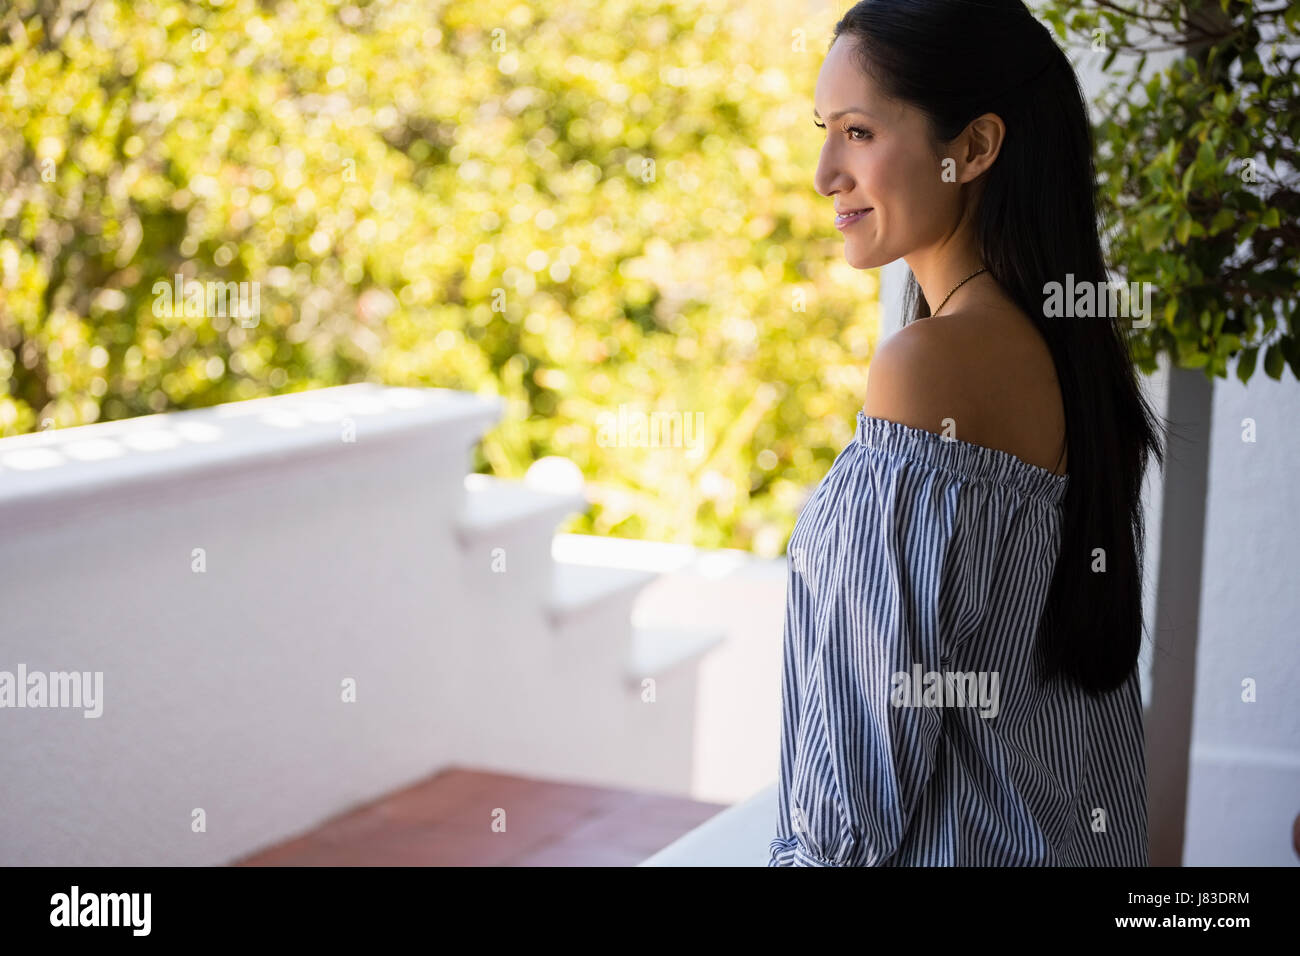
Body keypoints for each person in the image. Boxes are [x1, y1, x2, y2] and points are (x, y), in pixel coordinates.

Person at [769, 0, 1167, 866]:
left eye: (860, 132)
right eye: (823, 130)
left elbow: (857, 784)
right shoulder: (1066, 352)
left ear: (975, 149)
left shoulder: (929, 368)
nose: (824, 172)